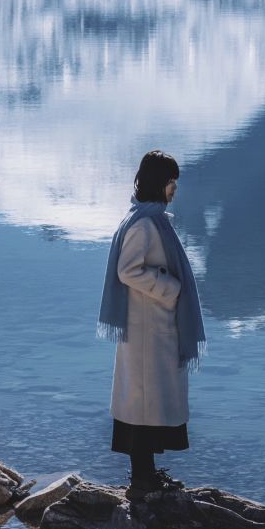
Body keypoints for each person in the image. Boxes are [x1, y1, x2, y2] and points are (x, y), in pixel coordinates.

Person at [97, 150, 207, 500]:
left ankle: (146, 475)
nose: (175, 189)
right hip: (147, 328)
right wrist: (169, 288)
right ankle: (143, 479)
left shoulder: (148, 218)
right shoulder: (144, 225)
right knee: (144, 401)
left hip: (151, 326)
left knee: (146, 401)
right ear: (160, 184)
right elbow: (127, 271)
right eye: (172, 183)